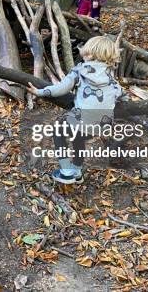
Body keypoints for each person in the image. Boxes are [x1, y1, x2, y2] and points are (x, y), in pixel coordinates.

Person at [26, 36, 124, 184]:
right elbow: (120, 94)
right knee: (79, 138)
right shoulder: (111, 78)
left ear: (90, 54)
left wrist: (40, 92)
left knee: (58, 130)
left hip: (82, 119)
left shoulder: (80, 71)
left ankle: (66, 172)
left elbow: (62, 88)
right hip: (101, 126)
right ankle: (77, 172)